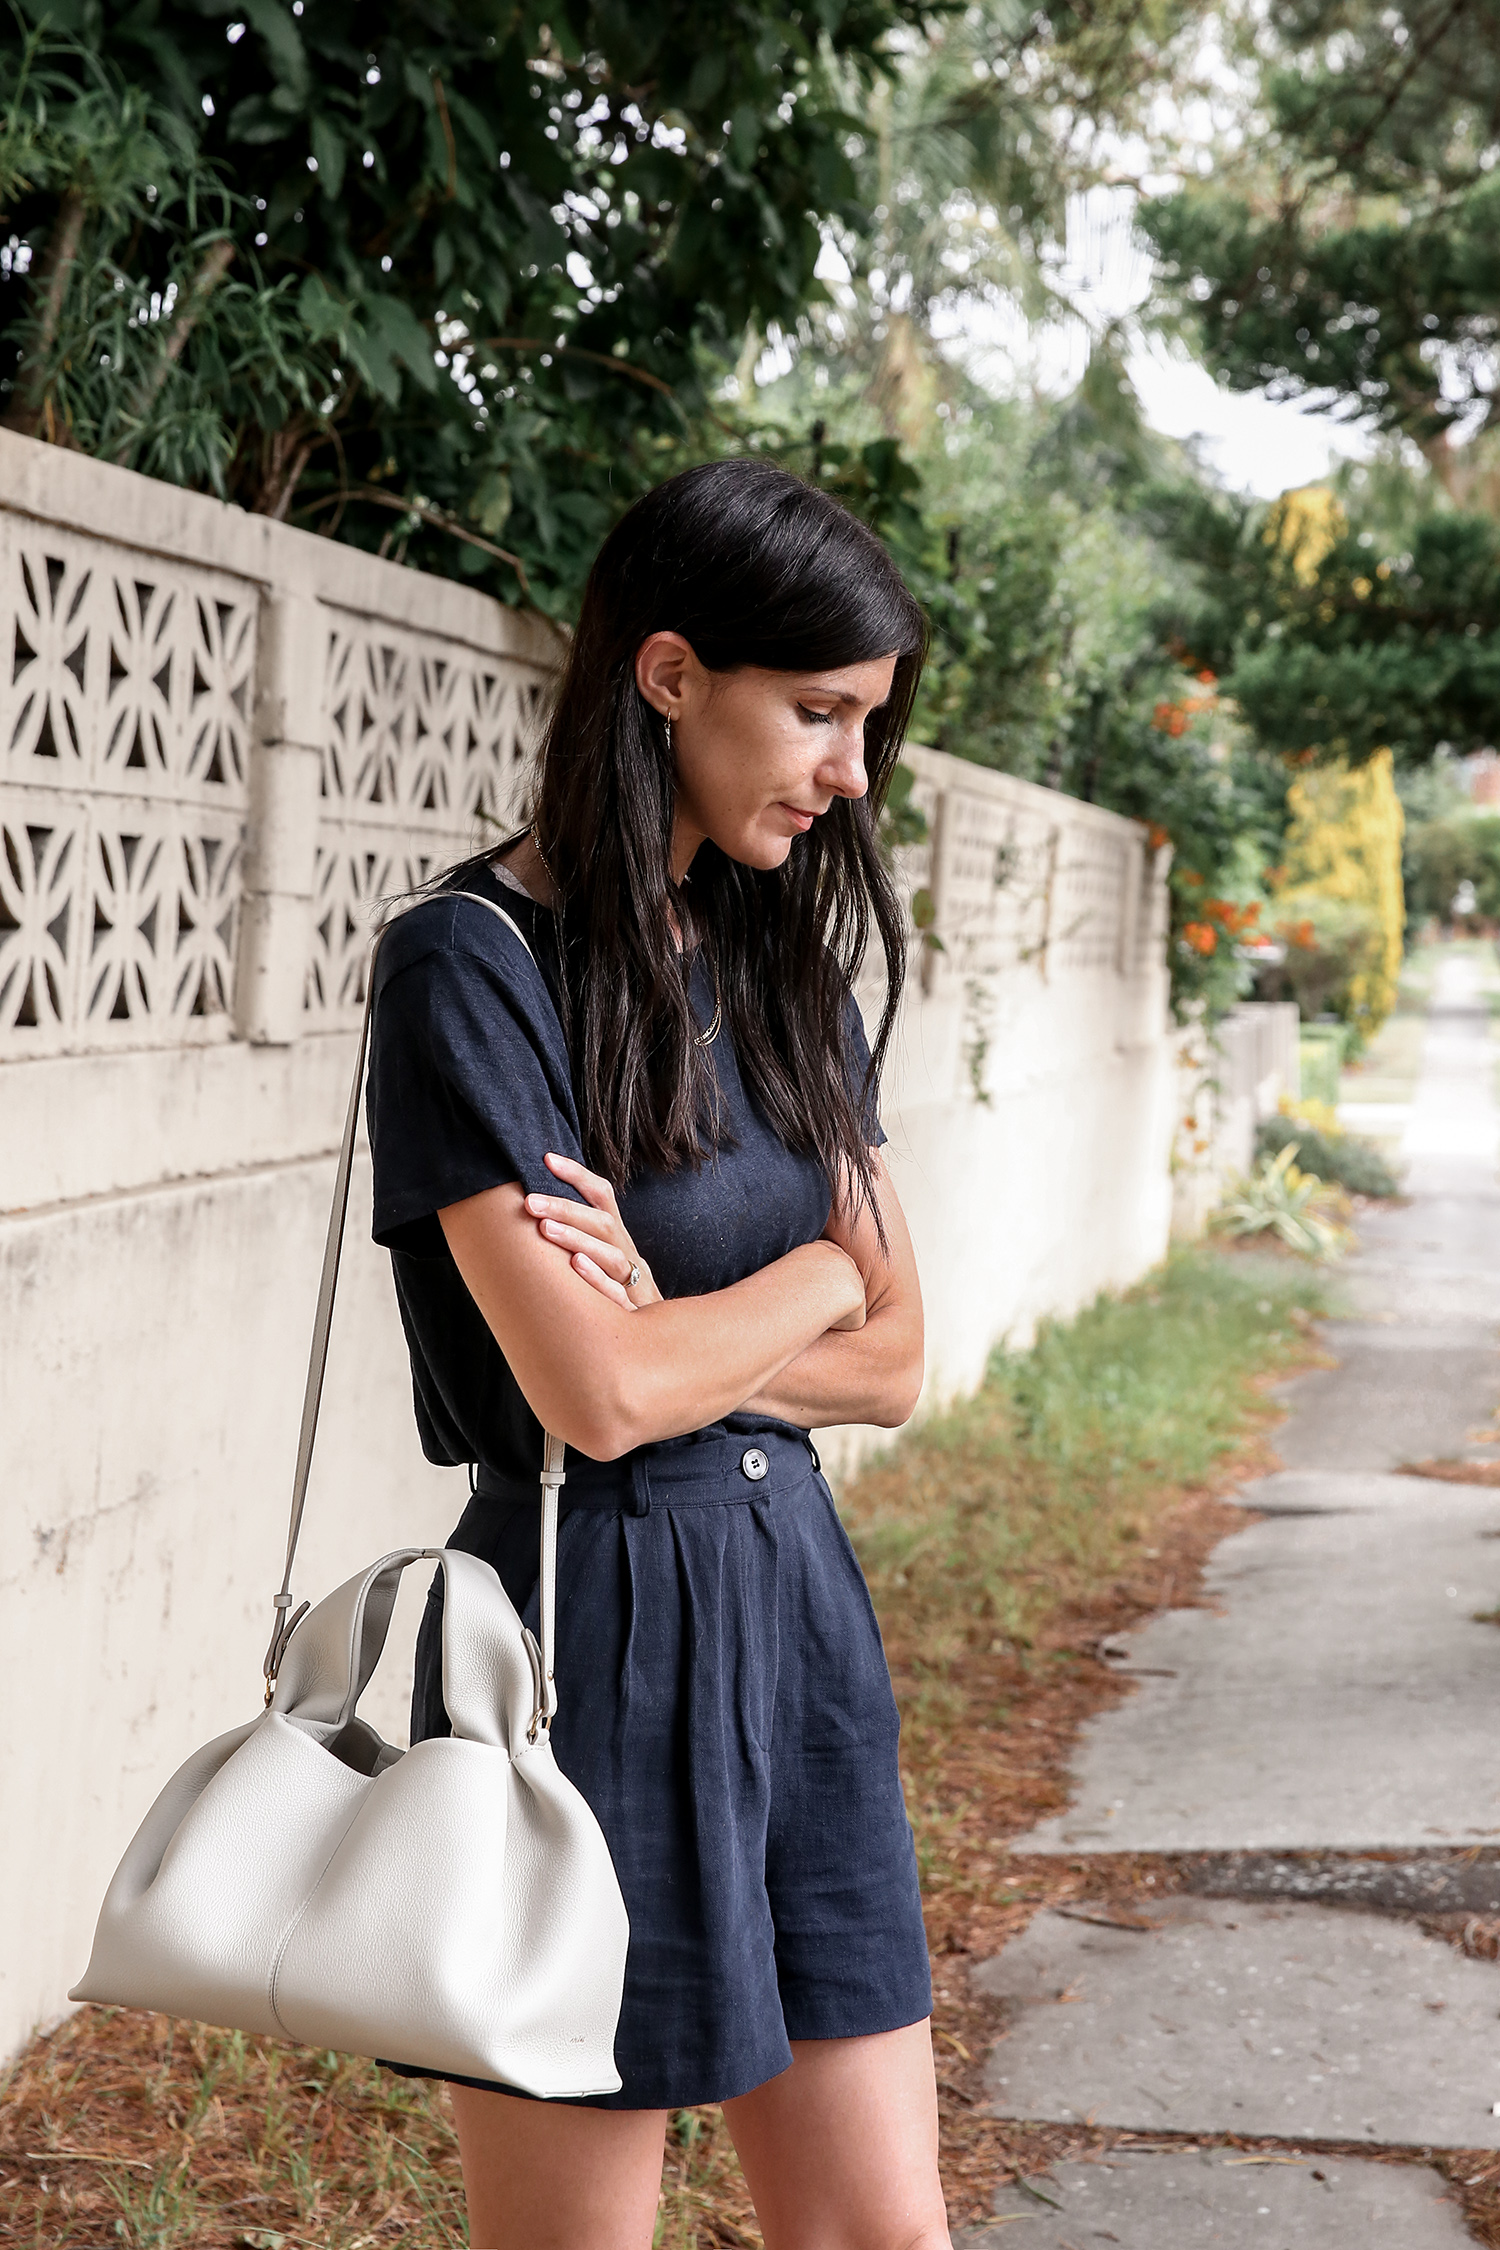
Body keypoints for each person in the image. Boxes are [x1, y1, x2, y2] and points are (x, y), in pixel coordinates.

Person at [366, 457, 948, 2250]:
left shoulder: (787, 971)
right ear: (673, 673)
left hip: (798, 1607)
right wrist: (796, 1290)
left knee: (880, 2234)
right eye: (821, 713)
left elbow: (902, 1353)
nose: (852, 772)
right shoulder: (473, 968)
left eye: (870, 724)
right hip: (587, 1625)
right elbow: (594, 1398)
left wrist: (695, 1328)